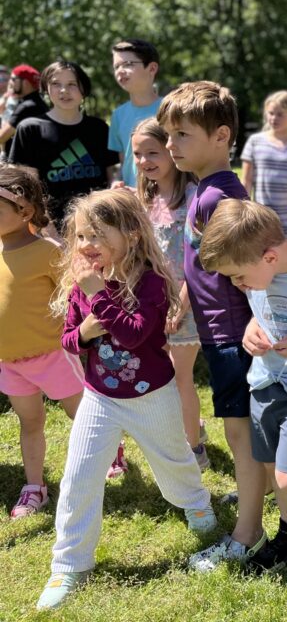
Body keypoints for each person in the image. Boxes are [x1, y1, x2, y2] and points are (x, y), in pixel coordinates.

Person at [36, 189, 215, 610]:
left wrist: (99, 294)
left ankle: (198, 507)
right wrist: (82, 333)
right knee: (79, 474)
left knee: (173, 462)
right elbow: (69, 338)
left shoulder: (149, 282)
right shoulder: (84, 281)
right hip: (99, 398)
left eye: (97, 235)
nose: (86, 246)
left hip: (153, 396)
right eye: (80, 236)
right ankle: (69, 564)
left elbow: (135, 333)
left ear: (132, 234)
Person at [157, 82, 267, 570]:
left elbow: (247, 271)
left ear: (222, 136)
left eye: (182, 134)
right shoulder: (203, 190)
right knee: (241, 434)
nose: (170, 145)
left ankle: (248, 534)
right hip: (217, 331)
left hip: (233, 338)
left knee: (242, 436)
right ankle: (253, 504)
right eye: (168, 134)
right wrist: (184, 301)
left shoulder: (218, 198)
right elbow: (204, 263)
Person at [199, 199, 287, 573]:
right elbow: (262, 311)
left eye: (238, 277)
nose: (237, 285)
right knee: (274, 466)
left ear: (269, 258)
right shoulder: (259, 271)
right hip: (265, 382)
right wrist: (250, 328)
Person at [0, 165, 85, 519]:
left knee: (81, 416)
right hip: (10, 360)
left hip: (53, 355)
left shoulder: (46, 249)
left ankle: (109, 454)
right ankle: (35, 487)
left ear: (25, 212)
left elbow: (75, 293)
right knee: (29, 422)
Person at [131, 118, 207, 468]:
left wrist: (181, 305)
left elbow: (201, 261)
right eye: (137, 154)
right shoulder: (145, 197)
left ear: (171, 151)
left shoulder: (192, 197)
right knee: (162, 378)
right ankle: (188, 432)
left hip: (186, 304)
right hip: (154, 301)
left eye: (152, 152)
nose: (145, 160)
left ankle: (194, 450)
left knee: (180, 377)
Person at [8, 60, 117, 229]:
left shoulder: (99, 128)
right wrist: (47, 228)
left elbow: (111, 179)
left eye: (72, 84)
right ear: (45, 89)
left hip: (99, 225)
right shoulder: (30, 129)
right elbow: (28, 190)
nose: (64, 90)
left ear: (84, 90)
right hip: (49, 228)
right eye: (56, 84)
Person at [241, 90, 287, 242]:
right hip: (261, 222)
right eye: (271, 113)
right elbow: (246, 181)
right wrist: (243, 214)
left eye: (280, 114)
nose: (274, 118)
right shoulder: (255, 142)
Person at [109, 39, 162, 187]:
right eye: (116, 66)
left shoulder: (171, 108)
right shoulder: (117, 115)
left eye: (128, 64)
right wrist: (117, 181)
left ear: (152, 68)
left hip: (170, 199)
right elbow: (125, 162)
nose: (120, 70)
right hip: (133, 199)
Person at [1, 64, 47, 155]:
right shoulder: (39, 103)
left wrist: (2, 115)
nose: (10, 83)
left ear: (26, 83)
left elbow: (1, 137)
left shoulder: (26, 107)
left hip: (21, 166)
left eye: (13, 79)